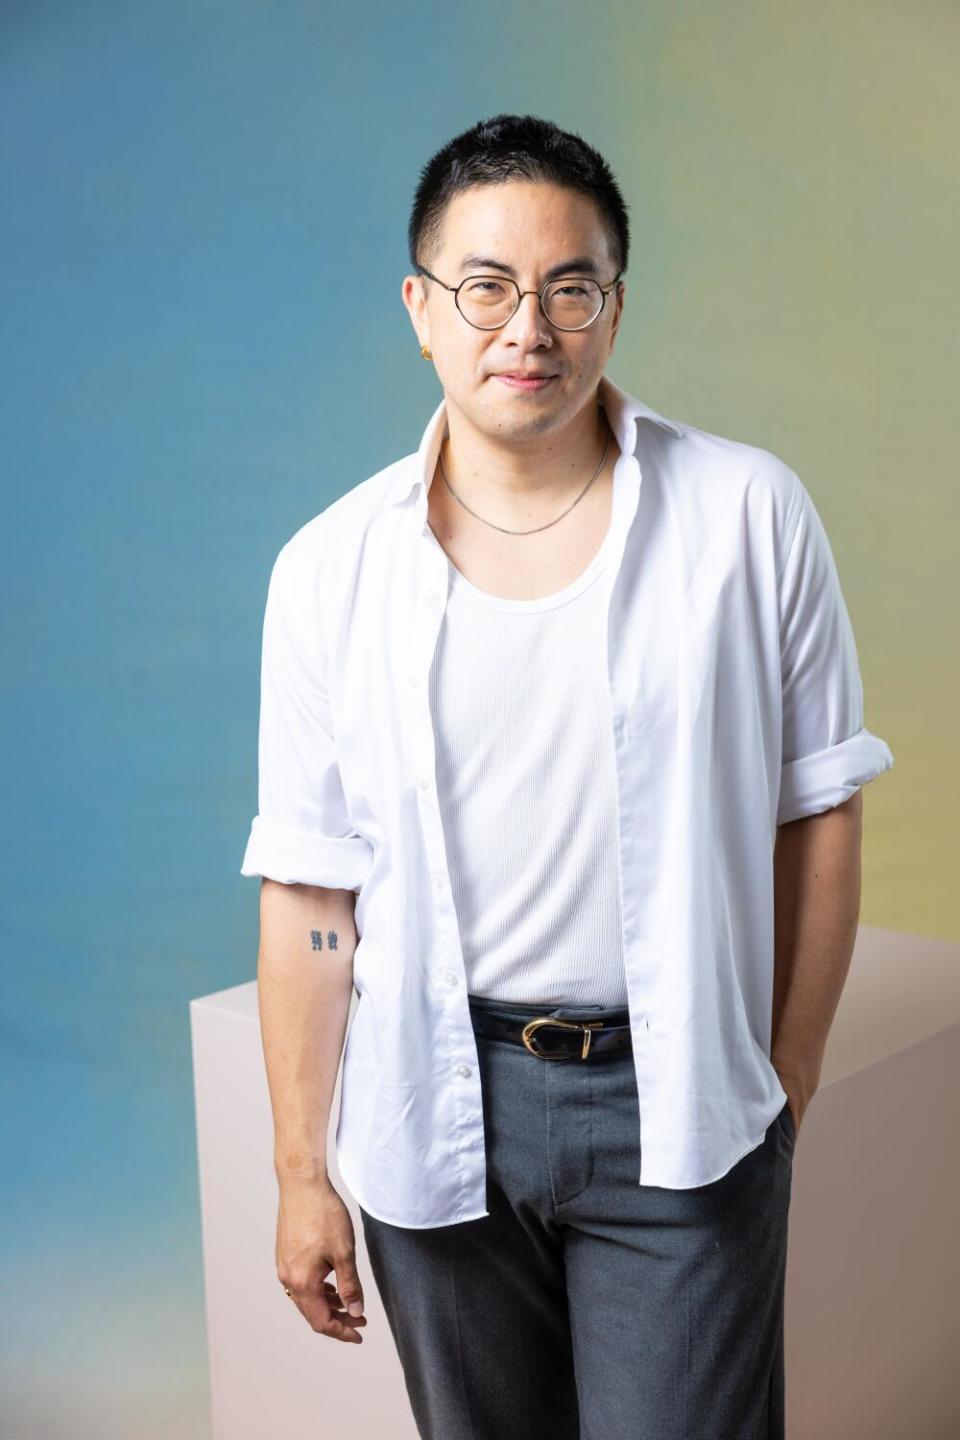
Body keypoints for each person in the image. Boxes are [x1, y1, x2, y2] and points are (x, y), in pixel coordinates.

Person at [241, 113, 895, 1439]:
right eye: (484, 287)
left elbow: (819, 810)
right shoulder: (328, 570)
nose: (525, 328)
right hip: (437, 1093)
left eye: (568, 286)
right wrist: (302, 1170)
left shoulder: (746, 515)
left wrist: (786, 1080)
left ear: (613, 305)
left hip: (685, 1095)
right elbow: (312, 891)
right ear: (421, 308)